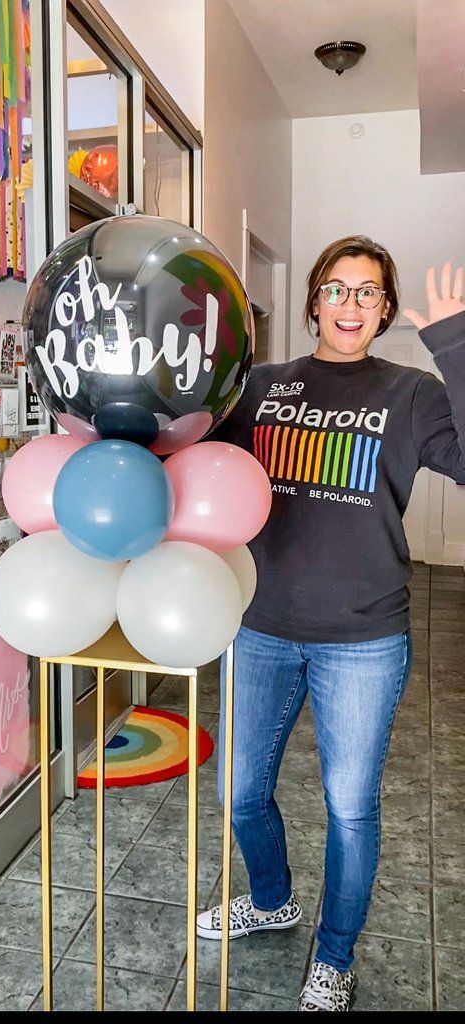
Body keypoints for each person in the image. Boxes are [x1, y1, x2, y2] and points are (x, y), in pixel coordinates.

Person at [196, 236, 465, 1012]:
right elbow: (195, 460)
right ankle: (273, 899)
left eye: (368, 292)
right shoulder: (261, 386)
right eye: (337, 289)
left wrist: (454, 340)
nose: (350, 305)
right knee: (242, 793)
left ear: (385, 310)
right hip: (260, 623)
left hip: (364, 638)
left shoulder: (411, 393)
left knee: (351, 806)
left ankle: (335, 956)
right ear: (313, 300)